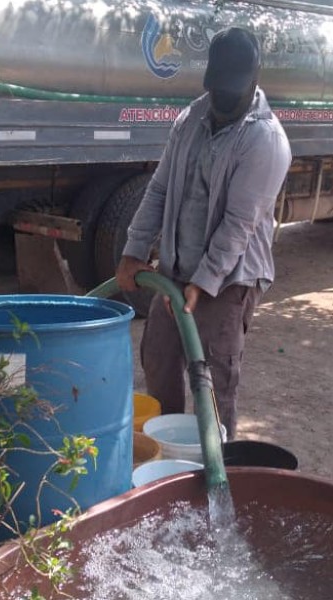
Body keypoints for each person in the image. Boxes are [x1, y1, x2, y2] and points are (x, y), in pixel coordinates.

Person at [116, 26, 291, 439]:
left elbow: (239, 225)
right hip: (175, 272)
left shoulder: (265, 140)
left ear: (254, 78)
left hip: (229, 281)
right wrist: (134, 249)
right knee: (158, 358)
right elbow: (159, 188)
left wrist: (205, 280)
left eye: (233, 89)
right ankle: (168, 455)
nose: (223, 99)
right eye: (217, 88)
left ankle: (214, 471)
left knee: (212, 382)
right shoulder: (191, 118)